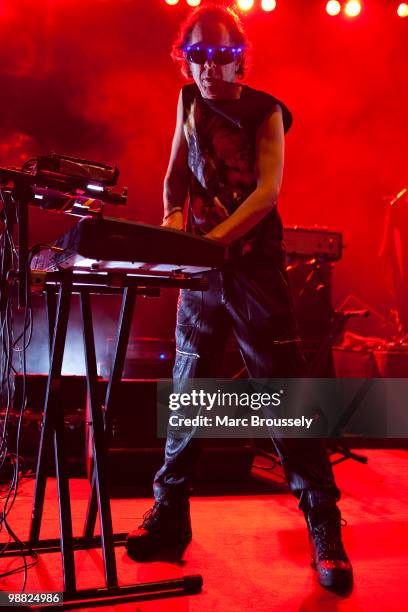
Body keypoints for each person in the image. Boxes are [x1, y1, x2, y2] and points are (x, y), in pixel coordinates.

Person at [126, 6, 353, 594]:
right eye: (195, 55)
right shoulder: (187, 102)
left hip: (253, 272)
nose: (206, 68)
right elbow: (174, 177)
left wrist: (213, 245)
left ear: (239, 56)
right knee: (187, 392)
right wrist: (176, 225)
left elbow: (267, 193)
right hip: (203, 273)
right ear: (186, 57)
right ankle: (170, 517)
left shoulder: (266, 110)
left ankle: (325, 529)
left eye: (219, 55)